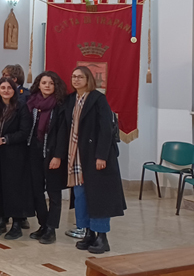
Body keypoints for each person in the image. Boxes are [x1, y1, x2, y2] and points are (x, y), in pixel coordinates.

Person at [66, 66, 126, 254]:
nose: (76, 80)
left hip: (95, 155)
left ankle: (102, 237)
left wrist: (101, 156)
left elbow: (106, 129)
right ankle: (88, 232)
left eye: (80, 77)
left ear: (88, 80)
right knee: (81, 195)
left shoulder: (98, 99)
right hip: (77, 155)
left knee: (98, 196)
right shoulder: (71, 99)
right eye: (74, 76)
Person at [0, 77, 35, 240]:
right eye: (3, 88)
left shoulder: (21, 107)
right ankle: (1, 219)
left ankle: (16, 224)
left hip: (15, 155)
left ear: (14, 90)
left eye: (9, 88)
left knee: (13, 190)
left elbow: (24, 132)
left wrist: (4, 139)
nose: (6, 91)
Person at [26, 71, 69, 244]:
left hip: (52, 153)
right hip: (34, 151)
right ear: (38, 84)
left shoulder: (60, 105)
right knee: (36, 191)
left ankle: (51, 228)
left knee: (53, 192)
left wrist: (58, 156)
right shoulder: (31, 102)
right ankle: (43, 224)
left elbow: (63, 133)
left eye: (51, 83)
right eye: (44, 83)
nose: (47, 86)